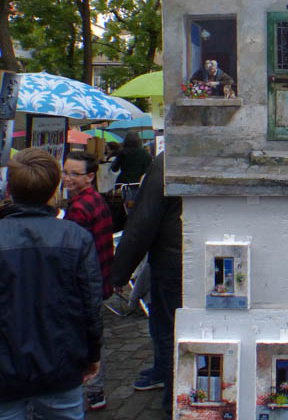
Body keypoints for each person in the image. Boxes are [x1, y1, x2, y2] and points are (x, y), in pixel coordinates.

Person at [0, 148, 103, 419]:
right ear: (54, 188)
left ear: (9, 188)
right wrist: (92, 354)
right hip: (60, 365)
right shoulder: (75, 237)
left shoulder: (75, 237)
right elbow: (91, 306)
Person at [112, 152, 182, 417]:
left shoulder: (169, 160)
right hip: (211, 261)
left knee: (168, 331)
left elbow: (143, 222)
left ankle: (173, 400)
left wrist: (119, 273)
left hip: (171, 265)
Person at [63, 151, 114, 411]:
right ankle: (96, 392)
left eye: (75, 174)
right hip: (101, 281)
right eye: (65, 172)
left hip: (87, 286)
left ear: (91, 176)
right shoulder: (95, 200)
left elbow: (74, 256)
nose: (68, 178)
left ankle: (92, 392)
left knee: (87, 339)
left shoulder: (80, 208)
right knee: (94, 336)